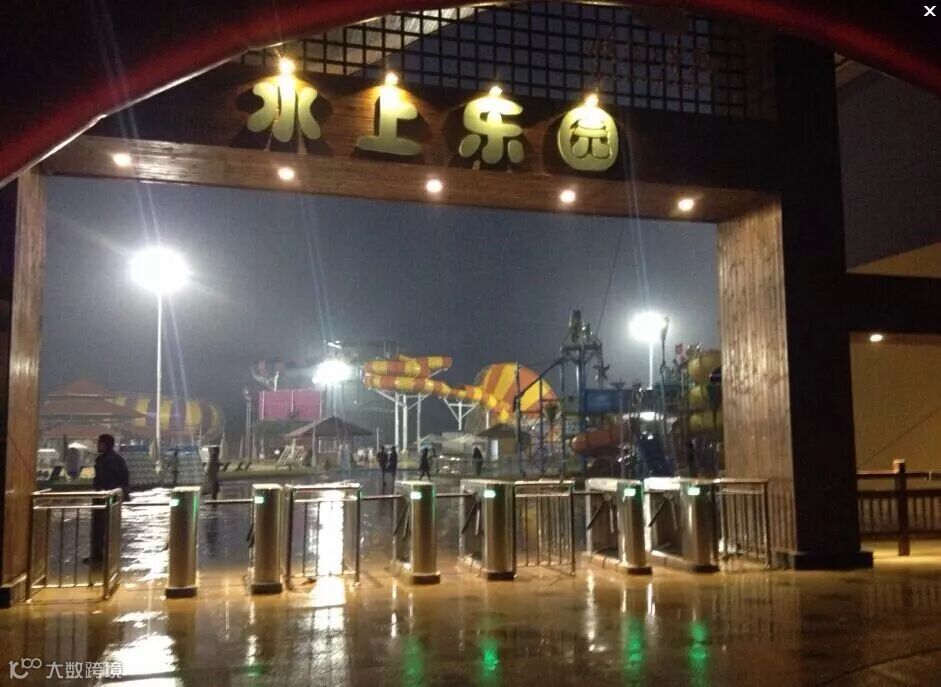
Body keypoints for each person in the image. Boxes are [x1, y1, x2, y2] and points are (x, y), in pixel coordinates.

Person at [88, 434, 130, 564]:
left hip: (106, 497)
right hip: (107, 497)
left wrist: (103, 490)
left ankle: (100, 555)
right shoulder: (112, 459)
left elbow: (113, 479)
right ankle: (101, 554)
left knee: (102, 527)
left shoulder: (109, 460)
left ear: (106, 445)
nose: (97, 445)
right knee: (104, 527)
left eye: (99, 443)